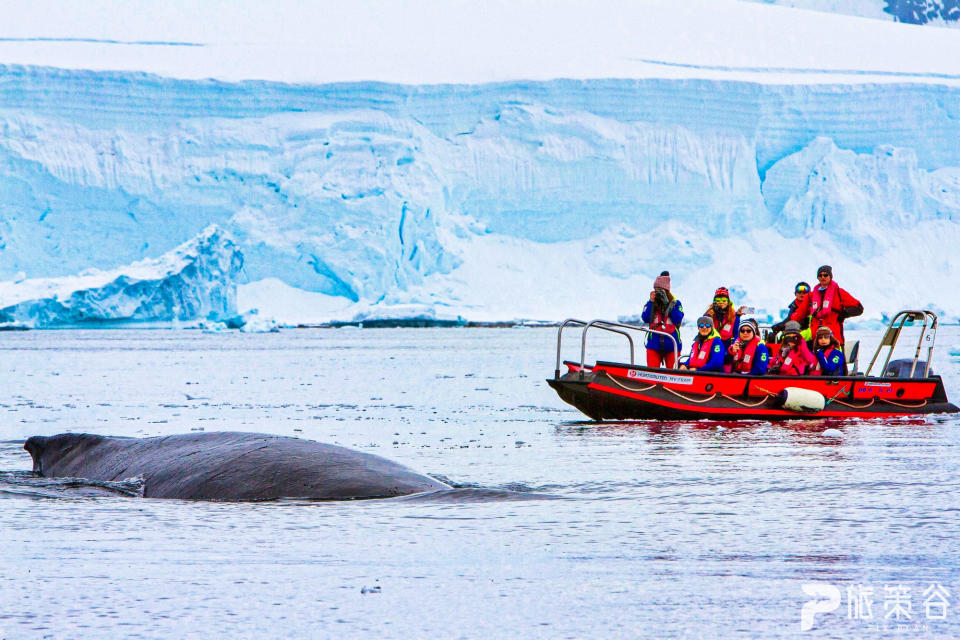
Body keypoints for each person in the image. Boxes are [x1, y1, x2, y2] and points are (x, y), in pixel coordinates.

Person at [790, 265, 862, 345]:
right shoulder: (811, 295)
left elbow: (859, 308)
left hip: (834, 338)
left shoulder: (839, 293)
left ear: (830, 276)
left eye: (825, 275)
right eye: (820, 275)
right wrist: (787, 326)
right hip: (817, 340)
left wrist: (842, 315)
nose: (823, 277)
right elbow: (799, 314)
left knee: (837, 357)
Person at [641, 271, 684, 368]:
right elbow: (645, 318)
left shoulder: (676, 303)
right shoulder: (651, 304)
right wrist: (651, 302)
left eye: (660, 290)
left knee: (673, 374)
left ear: (666, 290)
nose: (658, 293)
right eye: (656, 290)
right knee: (652, 371)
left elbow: (677, 319)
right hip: (654, 345)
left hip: (672, 345)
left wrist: (667, 304)